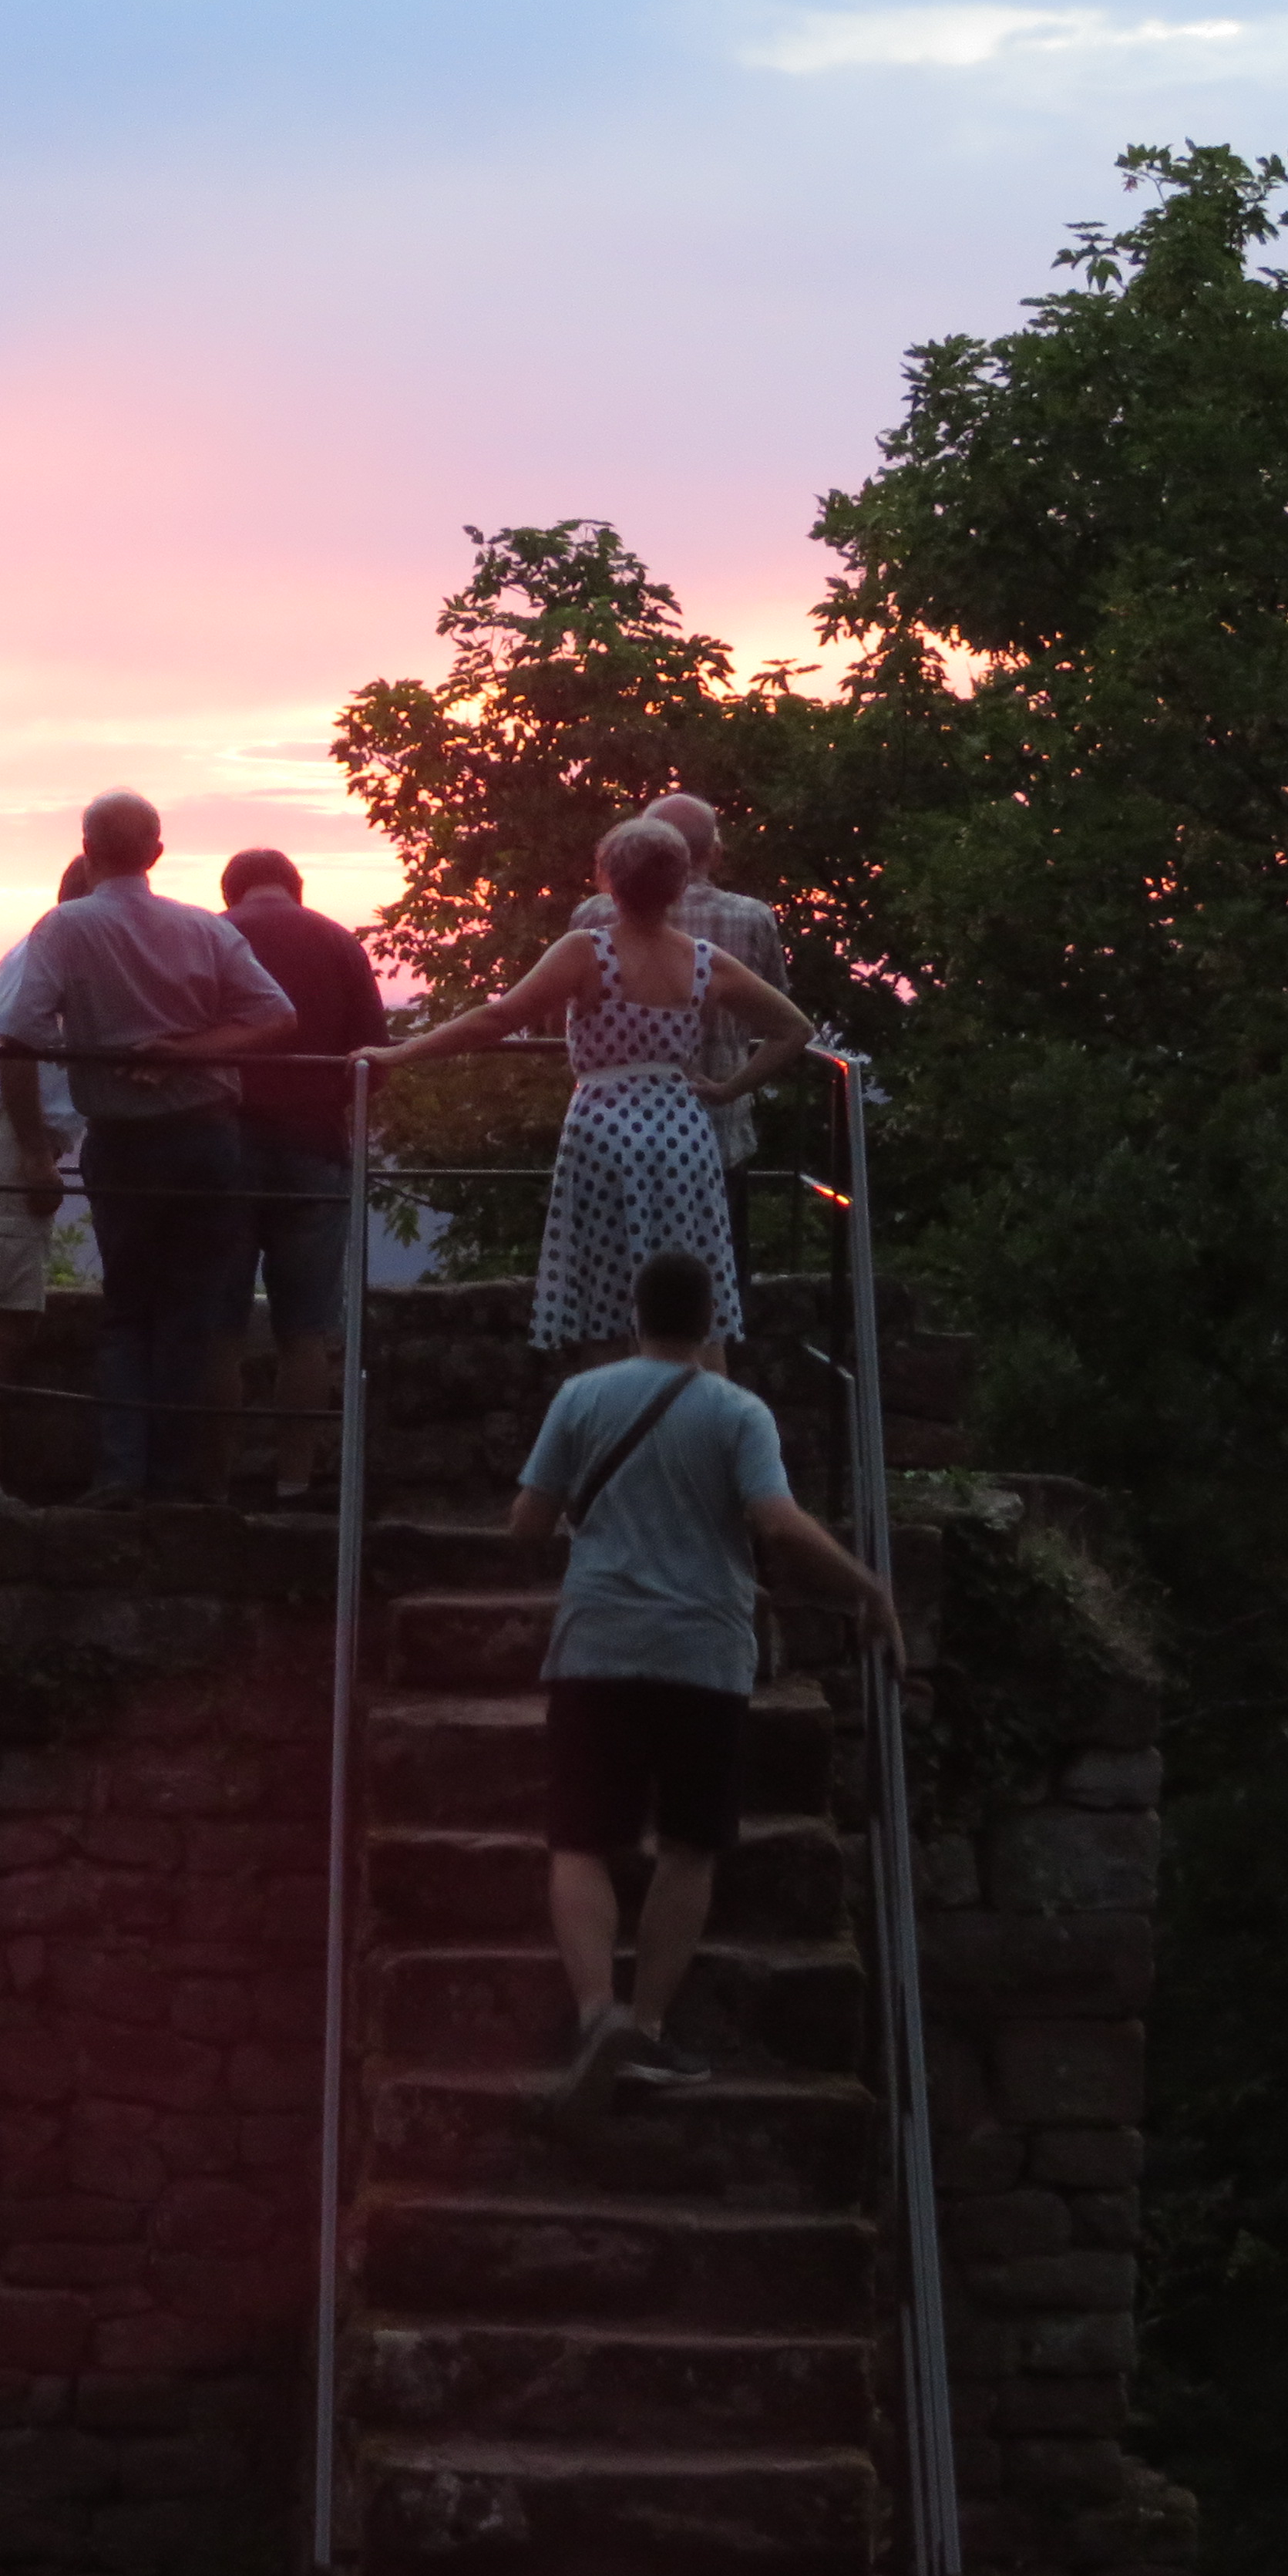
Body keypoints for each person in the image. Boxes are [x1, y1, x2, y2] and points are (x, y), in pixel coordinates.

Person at [506, 1247, 902, 2109]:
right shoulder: (738, 1412)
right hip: (702, 1656)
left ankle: (596, 2014)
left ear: (635, 1316)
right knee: (689, 1845)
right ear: (710, 1321)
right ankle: (647, 2030)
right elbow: (777, 1523)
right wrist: (869, 1587)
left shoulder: (581, 1398)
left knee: (579, 1841)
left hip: (596, 1647)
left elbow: (527, 1524)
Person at [363, 813, 809, 1358]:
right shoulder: (703, 960)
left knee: (606, 1292)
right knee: (693, 1290)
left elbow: (496, 1019)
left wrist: (400, 1052)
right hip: (684, 1135)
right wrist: (727, 1089)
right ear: (680, 884)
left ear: (607, 880)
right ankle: (702, 1401)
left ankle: (611, 1400)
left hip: (603, 1129)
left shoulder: (586, 951)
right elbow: (794, 1029)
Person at [0, 791, 294, 1506]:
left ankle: (123, 1475)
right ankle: (180, 1483)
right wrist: (191, 1051)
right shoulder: (202, 929)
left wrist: (33, 1148)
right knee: (194, 1311)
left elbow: (19, 1036)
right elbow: (276, 1016)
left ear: (87, 850)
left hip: (124, 1142)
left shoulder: (65, 927)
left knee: (128, 1309)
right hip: (208, 1138)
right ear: (157, 852)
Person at [215, 850, 388, 1508]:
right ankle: (295, 1480)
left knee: (219, 1325)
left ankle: (213, 1480)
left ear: (230, 891)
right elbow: (375, 1059)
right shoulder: (339, 943)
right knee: (305, 1329)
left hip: (225, 1147)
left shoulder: (213, 937)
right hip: (315, 1147)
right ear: (296, 887)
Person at [0, 859, 96, 1514]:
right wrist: (34, 1152)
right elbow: (16, 1051)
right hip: (7, 1139)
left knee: (2, 1313)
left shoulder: (33, 952)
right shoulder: (49, 955)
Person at [571, 792, 789, 1272]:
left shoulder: (591, 918)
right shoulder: (751, 918)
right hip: (718, 1133)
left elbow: (552, 1017)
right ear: (714, 853)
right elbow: (782, 1018)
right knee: (716, 1275)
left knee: (616, 1273)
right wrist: (730, 1089)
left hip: (610, 1137)